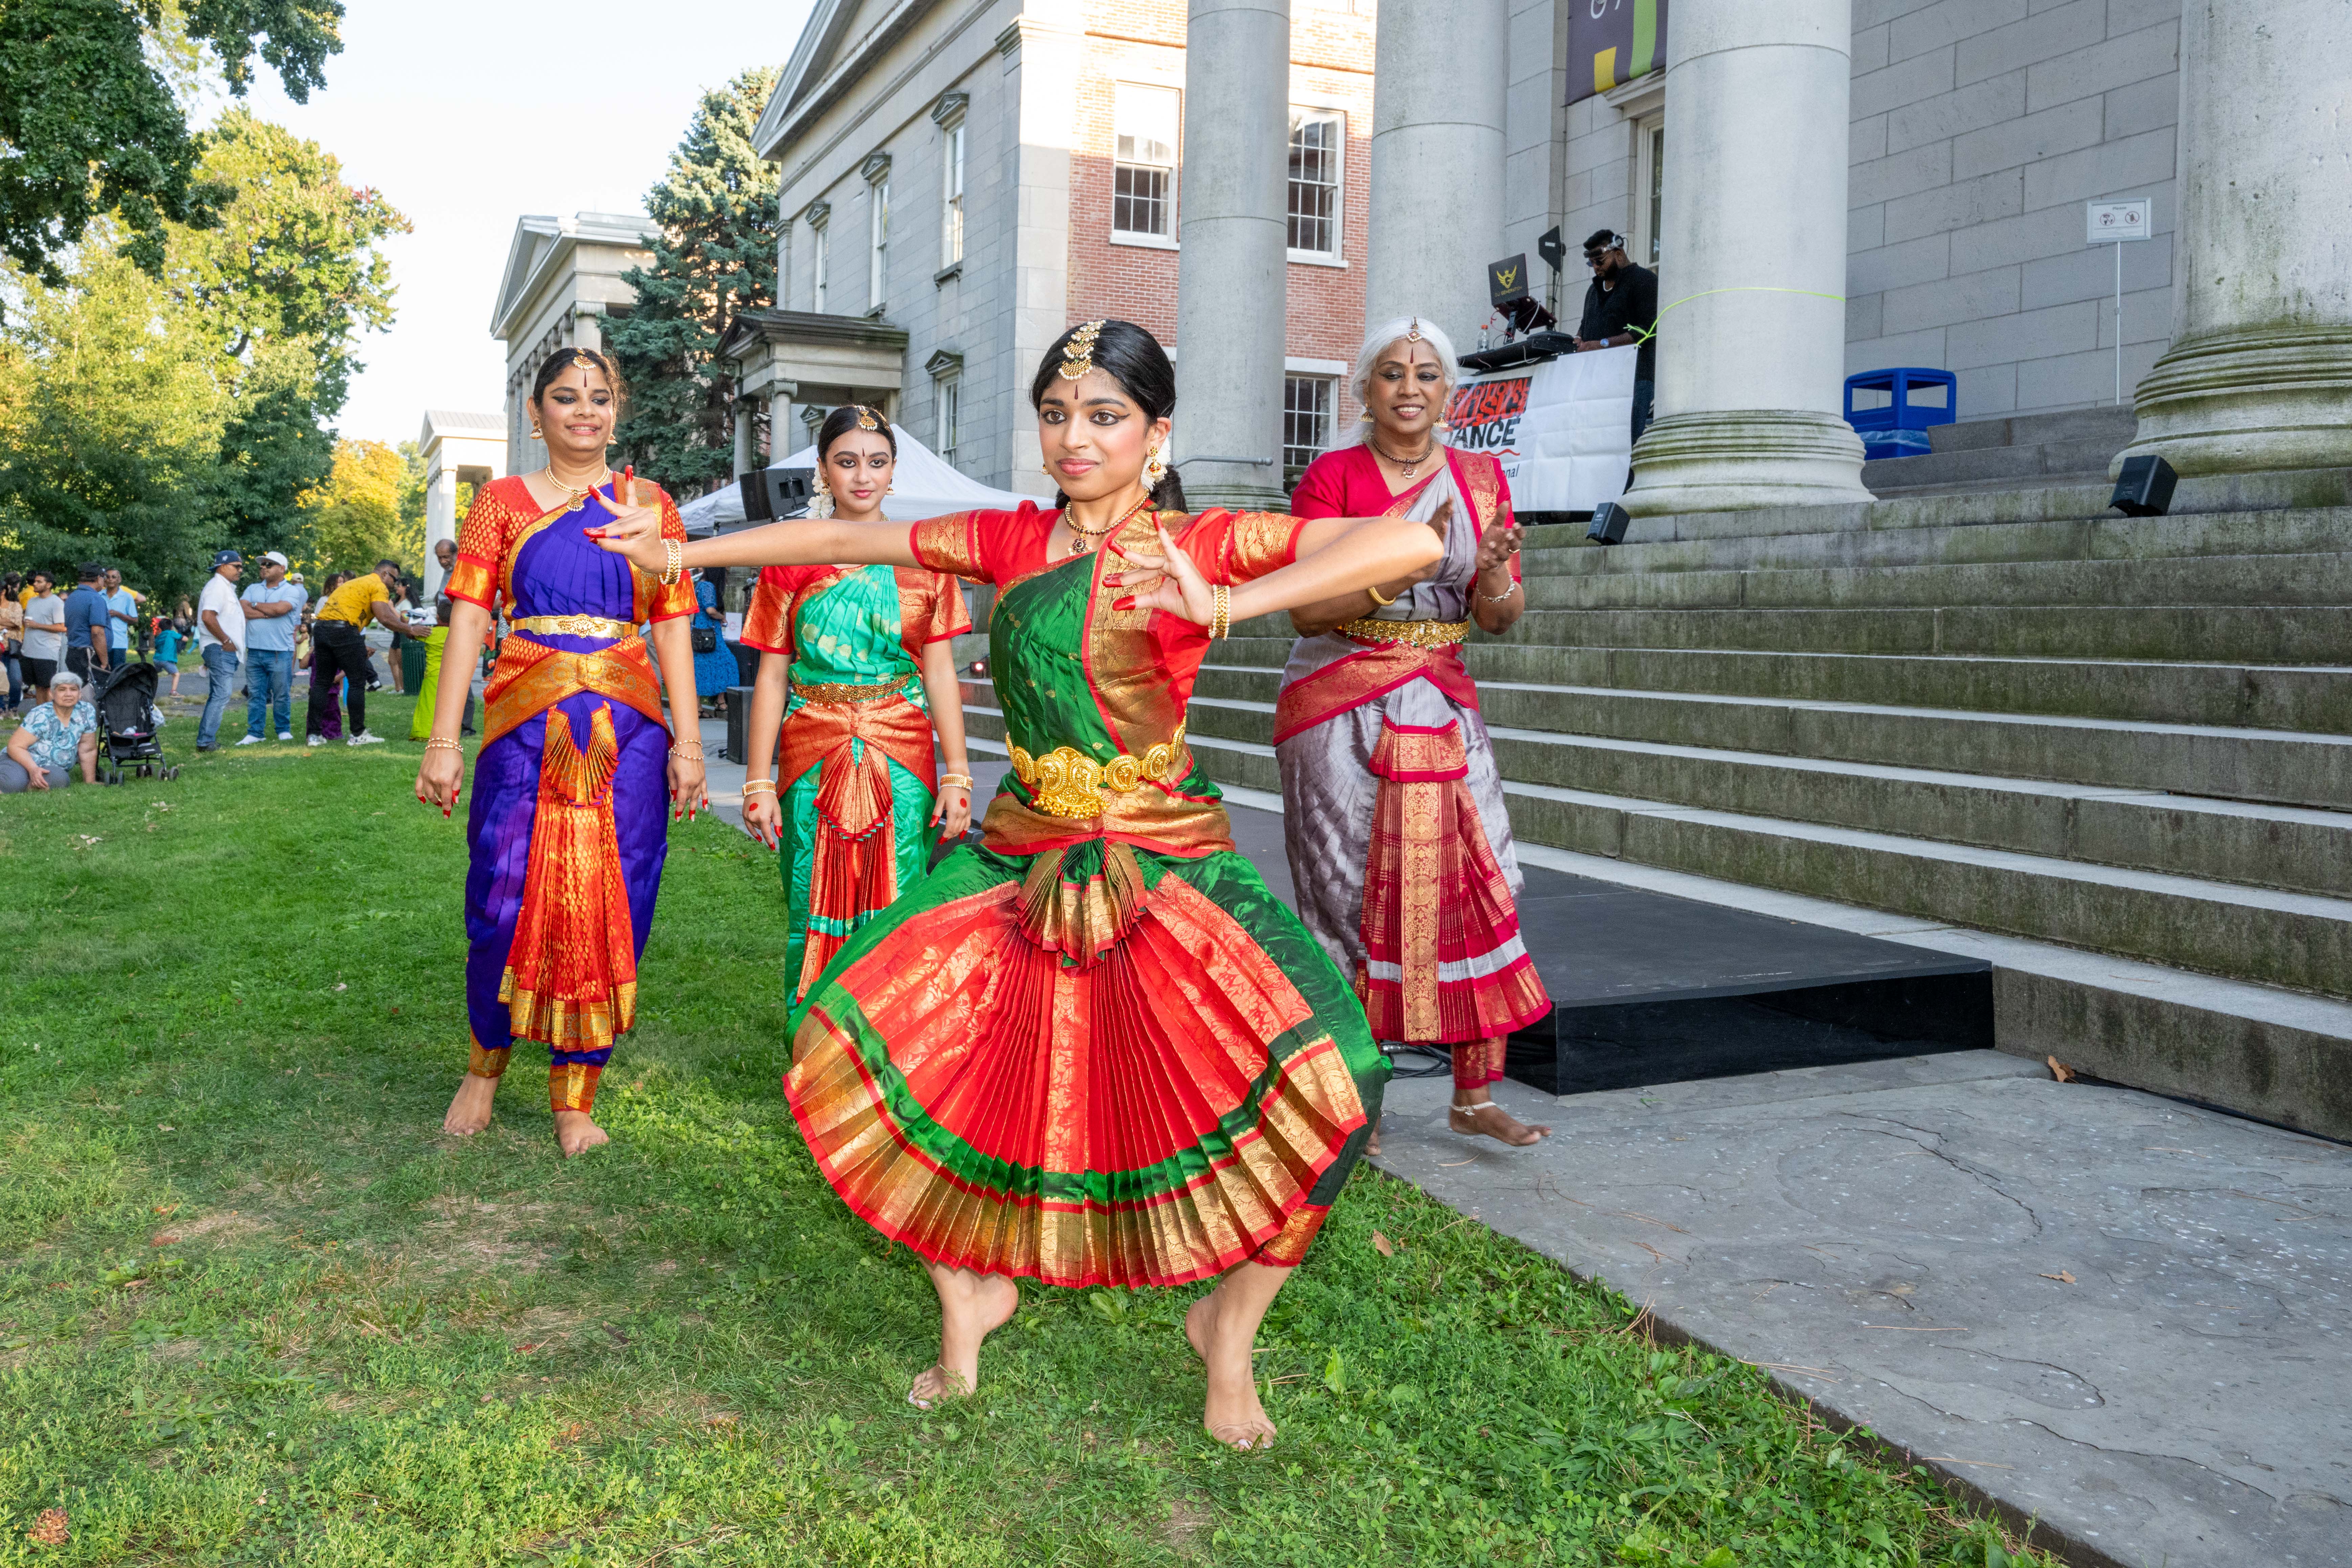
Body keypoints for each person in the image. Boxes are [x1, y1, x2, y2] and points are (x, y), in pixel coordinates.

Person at [590, 319, 1445, 1450]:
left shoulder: (1204, 538)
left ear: (1155, 432)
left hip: (1169, 851)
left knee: (1346, 1072)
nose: (1075, 437)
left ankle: (1224, 1338)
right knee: (872, 1040)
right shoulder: (1005, 537)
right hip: (1017, 848)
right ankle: (971, 1302)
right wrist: (683, 558)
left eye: (1104, 415)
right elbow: (845, 533)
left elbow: (1410, 545)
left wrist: (1228, 604)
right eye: (1056, 413)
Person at [414, 347, 705, 1159]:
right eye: (567, 397)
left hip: (630, 725)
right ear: (535, 411)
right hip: (523, 721)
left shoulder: (650, 504)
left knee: (618, 893)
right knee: (501, 887)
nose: (586, 411)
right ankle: (484, 1065)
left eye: (601, 398)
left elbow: (674, 621)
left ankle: (576, 1091)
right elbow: (470, 618)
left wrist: (687, 742)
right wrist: (445, 740)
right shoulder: (499, 503)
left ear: (618, 410)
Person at [1274, 318, 1555, 1153]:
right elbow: (1305, 607)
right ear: (1361, 389)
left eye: (1426, 374)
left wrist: (1495, 568)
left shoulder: (1478, 475)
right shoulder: (1332, 477)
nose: (1408, 388)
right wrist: (1400, 563)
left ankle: (1473, 1096)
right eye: (1390, 373)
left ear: (1447, 390)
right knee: (1342, 892)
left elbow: (1498, 617)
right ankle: (1350, 1092)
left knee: (1477, 884)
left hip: (1441, 696)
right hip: (1339, 696)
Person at [737, 404, 975, 1003]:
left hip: (904, 750)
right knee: (808, 893)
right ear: (822, 471)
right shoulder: (790, 557)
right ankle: (814, 1044)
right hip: (810, 748)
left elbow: (941, 671)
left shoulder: (926, 559)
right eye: (847, 462)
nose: (862, 476)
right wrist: (757, 781)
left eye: (876, 462)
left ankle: (887, 1050)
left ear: (894, 471)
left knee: (900, 895)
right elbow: (771, 675)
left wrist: (959, 773)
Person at [1574, 229, 1660, 451]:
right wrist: (1578, 340)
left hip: (1635, 380)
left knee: (1630, 444)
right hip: (1600, 384)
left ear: (1618, 251)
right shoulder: (1592, 292)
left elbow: (1647, 330)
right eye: (1592, 263)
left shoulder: (1644, 280)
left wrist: (1602, 344)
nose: (1596, 267)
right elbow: (1584, 328)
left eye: (1600, 260)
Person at [307, 559, 407, 746]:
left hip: (322, 628)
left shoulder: (355, 583)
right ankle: (358, 734)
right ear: (385, 574)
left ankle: (314, 736)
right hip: (345, 630)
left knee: (321, 682)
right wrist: (410, 630)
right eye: (394, 579)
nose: (394, 584)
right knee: (357, 682)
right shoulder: (378, 585)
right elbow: (385, 618)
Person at [238, 551, 306, 744]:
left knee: (281, 694)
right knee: (255, 695)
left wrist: (255, 605)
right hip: (255, 651)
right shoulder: (252, 588)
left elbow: (280, 610)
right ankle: (255, 733)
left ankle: (283, 729)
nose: (263, 567)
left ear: (282, 569)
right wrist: (266, 611)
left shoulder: (292, 591)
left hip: (280, 652)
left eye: (269, 565)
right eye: (263, 564)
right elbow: (242, 609)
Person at [1, 668, 99, 792]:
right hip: (20, 760)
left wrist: (90, 782)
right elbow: (15, 746)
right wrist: (33, 770)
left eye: (73, 690)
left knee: (61, 780)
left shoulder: (86, 711)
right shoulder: (41, 714)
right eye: (62, 690)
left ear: (80, 694)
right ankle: (19, 780)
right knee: (13, 784)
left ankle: (28, 784)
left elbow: (88, 750)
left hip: (51, 767)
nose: (68, 694)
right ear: (52, 694)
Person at [195, 551, 246, 751]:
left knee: (219, 694)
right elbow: (208, 617)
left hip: (222, 649)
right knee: (222, 694)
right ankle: (206, 741)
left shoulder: (225, 588)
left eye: (241, 567)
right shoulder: (217, 587)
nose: (240, 570)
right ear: (222, 567)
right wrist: (225, 640)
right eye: (237, 566)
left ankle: (206, 739)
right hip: (219, 648)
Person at [688, 568, 741, 716]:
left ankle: (701, 706)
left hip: (701, 633)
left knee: (701, 668)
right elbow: (711, 610)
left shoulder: (700, 584)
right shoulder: (709, 586)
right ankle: (720, 701)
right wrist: (722, 618)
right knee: (729, 663)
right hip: (710, 634)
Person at [63, 564, 111, 684]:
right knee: (93, 695)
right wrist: (104, 662)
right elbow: (97, 633)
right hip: (89, 655)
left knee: (79, 693)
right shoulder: (95, 599)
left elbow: (69, 629)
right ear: (99, 578)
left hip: (73, 652)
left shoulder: (72, 597)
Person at [21, 571, 64, 706]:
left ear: (49, 585)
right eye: (35, 581)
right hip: (29, 650)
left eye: (40, 582)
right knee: (38, 686)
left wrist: (37, 625)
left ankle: (54, 715)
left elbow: (62, 628)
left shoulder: (56, 603)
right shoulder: (32, 601)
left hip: (46, 651)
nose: (35, 584)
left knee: (48, 687)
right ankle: (40, 715)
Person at [104, 567, 142, 668]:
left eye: (114, 577)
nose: (111, 579)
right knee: (102, 674)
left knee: (117, 675)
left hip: (119, 643)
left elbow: (135, 620)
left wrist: (118, 614)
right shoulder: (99, 596)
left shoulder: (127, 597)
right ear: (104, 580)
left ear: (119, 580)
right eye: (108, 577)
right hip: (102, 642)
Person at [0, 574, 23, 715]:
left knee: (16, 679)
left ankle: (14, 707)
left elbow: (17, 623)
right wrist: (6, 621)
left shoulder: (15, 605)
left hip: (13, 648)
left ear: (3, 592)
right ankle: (1, 708)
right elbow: (11, 623)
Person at [154, 617, 185, 698]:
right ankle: (174, 692)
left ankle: (147, 680)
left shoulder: (159, 636)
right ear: (172, 627)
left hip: (157, 659)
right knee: (176, 674)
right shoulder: (171, 633)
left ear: (160, 628)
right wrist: (185, 637)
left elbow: (157, 647)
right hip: (166, 660)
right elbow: (184, 639)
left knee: (155, 673)